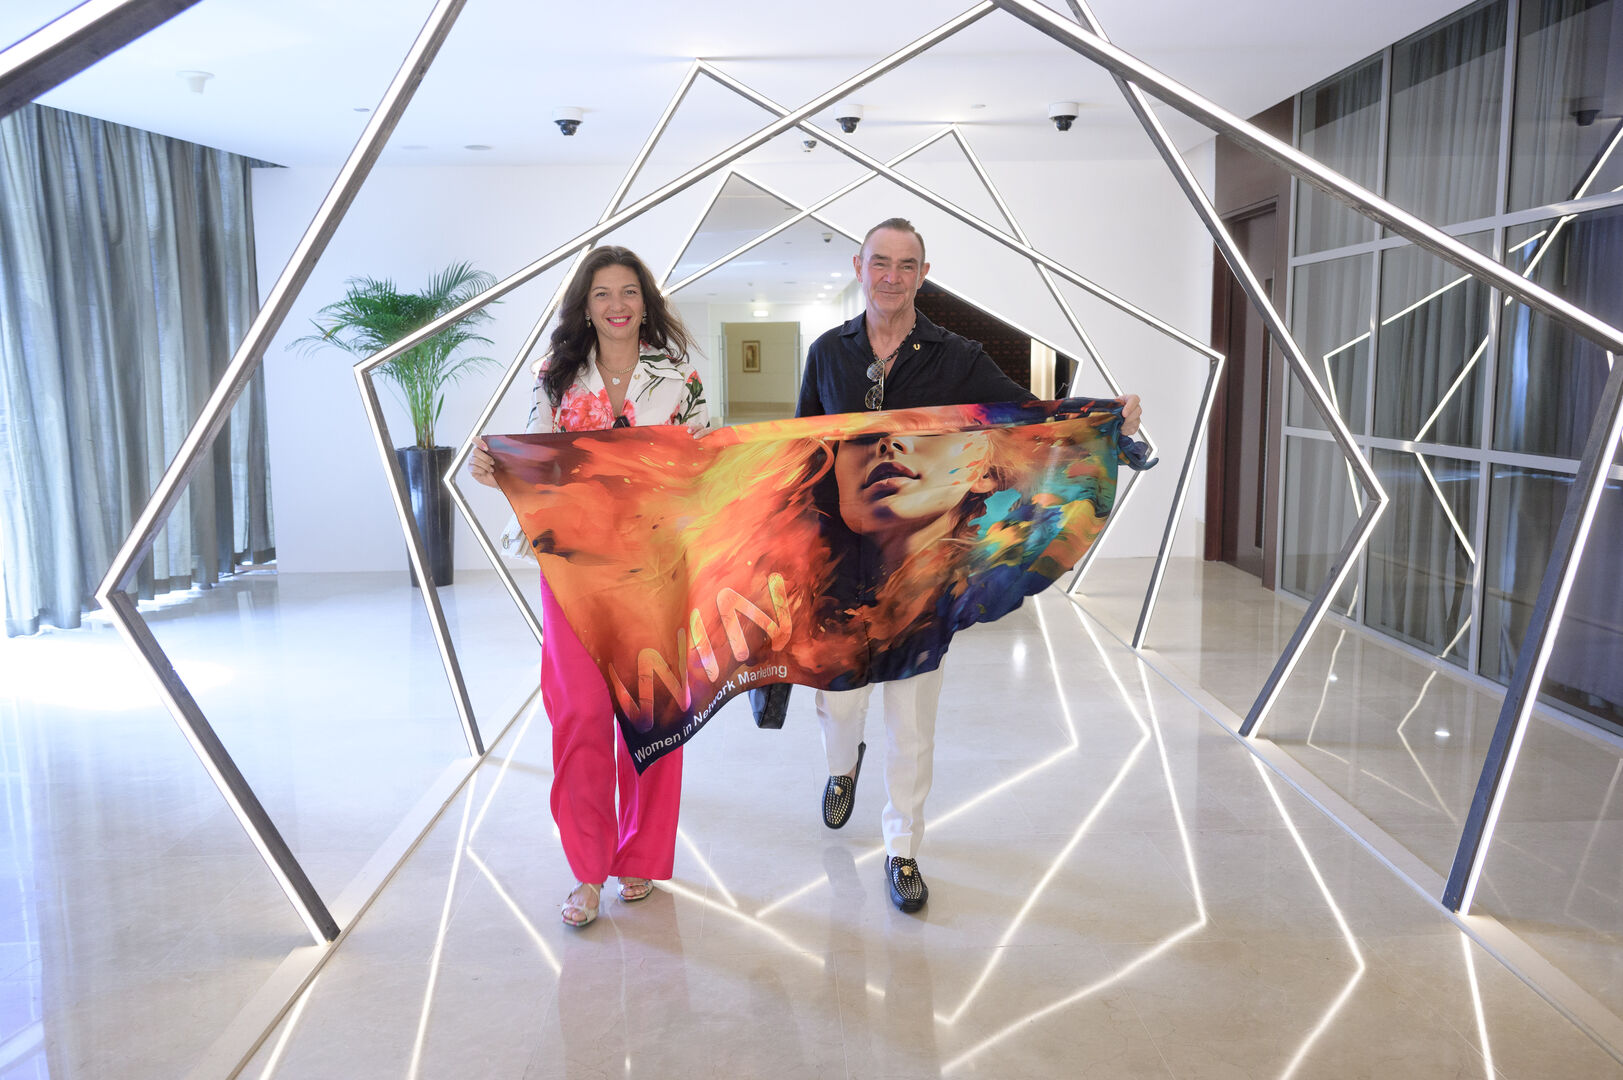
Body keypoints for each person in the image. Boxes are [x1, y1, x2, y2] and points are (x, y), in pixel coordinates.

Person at [798, 217, 1141, 913]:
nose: (892, 277)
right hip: (841, 566)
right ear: (859, 267)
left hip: (922, 569)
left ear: (923, 275)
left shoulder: (955, 356)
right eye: (880, 262)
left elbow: (1028, 418)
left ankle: (902, 848)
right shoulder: (828, 352)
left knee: (911, 719)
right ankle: (842, 767)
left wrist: (1108, 422)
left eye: (907, 265)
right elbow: (804, 445)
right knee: (838, 705)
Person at [469, 245, 709, 928]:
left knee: (652, 713)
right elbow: (536, 459)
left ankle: (640, 856)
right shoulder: (555, 377)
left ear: (645, 301)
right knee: (578, 714)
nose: (616, 305)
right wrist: (496, 467)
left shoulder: (679, 377)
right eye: (602, 293)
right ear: (585, 305)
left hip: (654, 569)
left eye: (628, 291)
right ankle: (586, 869)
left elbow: (702, 465)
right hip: (572, 567)